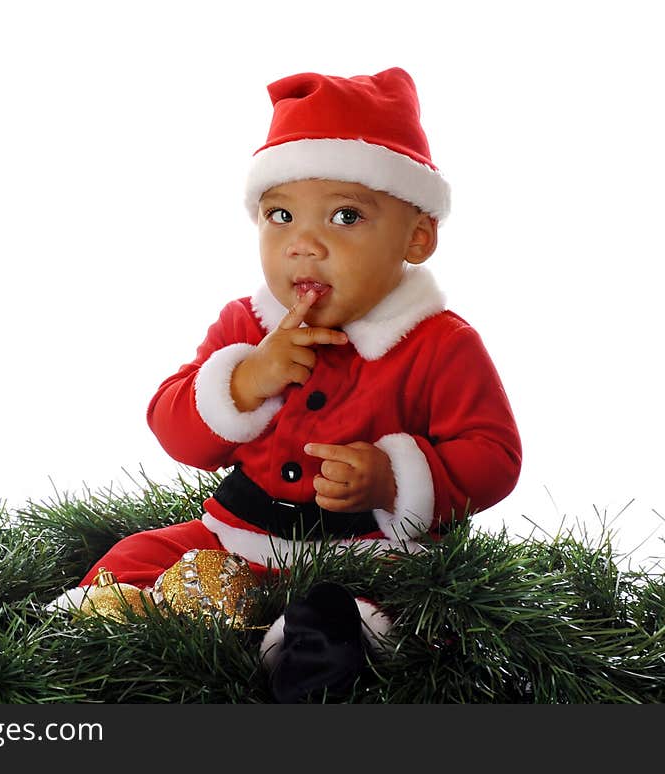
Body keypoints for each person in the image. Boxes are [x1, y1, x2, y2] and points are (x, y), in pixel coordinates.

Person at [49, 68, 522, 702]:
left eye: (345, 217)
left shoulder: (439, 343)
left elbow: (494, 453)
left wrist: (394, 476)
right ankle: (82, 638)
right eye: (280, 216)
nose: (303, 244)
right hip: (238, 533)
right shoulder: (246, 325)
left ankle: (307, 651)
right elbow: (176, 429)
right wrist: (245, 382)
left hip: (366, 548)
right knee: (137, 554)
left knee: (366, 609)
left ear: (417, 236)